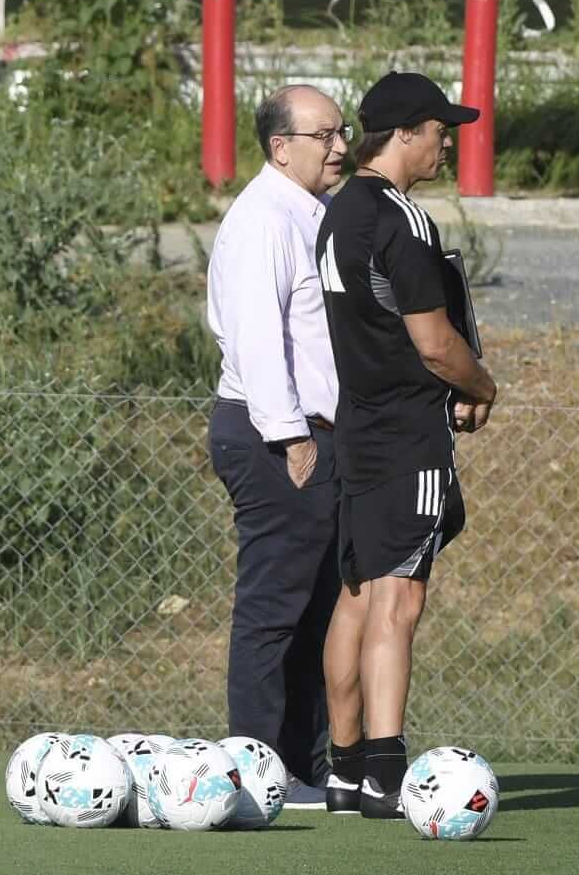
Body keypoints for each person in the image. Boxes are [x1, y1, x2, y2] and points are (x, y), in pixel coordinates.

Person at [314, 72, 498, 818]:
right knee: (399, 597)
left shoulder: (338, 213)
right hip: (407, 434)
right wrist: (481, 386)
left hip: (358, 426)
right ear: (404, 133)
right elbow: (432, 343)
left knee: (355, 594)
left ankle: (346, 768)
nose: (445, 143)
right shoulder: (401, 219)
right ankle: (388, 773)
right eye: (438, 130)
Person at [205, 84, 353, 808]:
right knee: (273, 610)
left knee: (314, 607)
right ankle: (256, 770)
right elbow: (259, 338)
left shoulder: (309, 213)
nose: (341, 146)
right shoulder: (265, 218)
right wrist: (292, 439)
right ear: (280, 147)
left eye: (342, 131)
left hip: (310, 436)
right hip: (274, 437)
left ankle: (298, 764)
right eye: (324, 134)